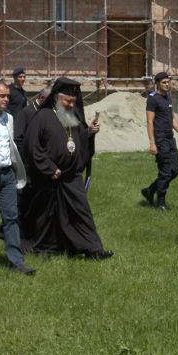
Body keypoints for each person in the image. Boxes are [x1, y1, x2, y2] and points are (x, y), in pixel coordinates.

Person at [20, 76, 113, 259]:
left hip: (70, 176)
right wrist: (49, 168)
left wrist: (89, 133)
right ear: (57, 98)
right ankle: (46, 248)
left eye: (73, 102)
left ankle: (94, 249)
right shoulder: (43, 116)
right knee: (46, 215)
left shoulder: (73, 117)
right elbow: (32, 146)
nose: (71, 105)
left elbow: (78, 141)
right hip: (48, 176)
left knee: (81, 211)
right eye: (67, 101)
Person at [0, 81, 35, 274]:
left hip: (7, 174)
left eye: (7, 96)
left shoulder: (9, 118)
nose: (6, 99)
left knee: (11, 217)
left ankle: (17, 261)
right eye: (2, 96)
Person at [141, 72, 178, 211]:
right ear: (157, 83)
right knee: (165, 171)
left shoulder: (168, 98)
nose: (167, 84)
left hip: (170, 138)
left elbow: (171, 118)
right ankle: (161, 202)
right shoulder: (152, 99)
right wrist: (152, 143)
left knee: (174, 171)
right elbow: (149, 122)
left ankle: (150, 190)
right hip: (160, 138)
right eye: (164, 82)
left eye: (168, 82)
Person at [14, 85, 51, 158]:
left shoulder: (49, 111)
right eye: (51, 100)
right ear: (42, 98)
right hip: (31, 157)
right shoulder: (25, 113)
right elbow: (18, 138)